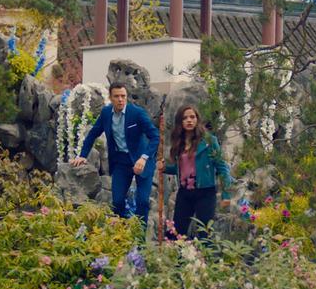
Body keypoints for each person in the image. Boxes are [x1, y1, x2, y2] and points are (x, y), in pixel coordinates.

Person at [71, 82, 160, 226]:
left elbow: (155, 136)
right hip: (120, 161)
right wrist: (82, 155)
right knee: (117, 201)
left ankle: (140, 242)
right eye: (117, 96)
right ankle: (122, 234)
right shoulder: (106, 113)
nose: (120, 99)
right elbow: (93, 134)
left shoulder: (137, 113)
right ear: (111, 98)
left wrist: (144, 158)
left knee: (142, 201)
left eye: (123, 96)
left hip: (142, 160)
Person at [164, 105, 232, 240]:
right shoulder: (179, 142)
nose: (189, 120)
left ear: (197, 120)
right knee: (177, 232)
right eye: (185, 118)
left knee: (205, 233)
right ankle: (177, 260)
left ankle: (206, 260)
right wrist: (164, 168)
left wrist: (226, 194)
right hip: (184, 193)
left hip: (205, 192)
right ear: (180, 122)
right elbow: (181, 168)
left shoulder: (209, 141)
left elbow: (221, 167)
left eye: (192, 117)